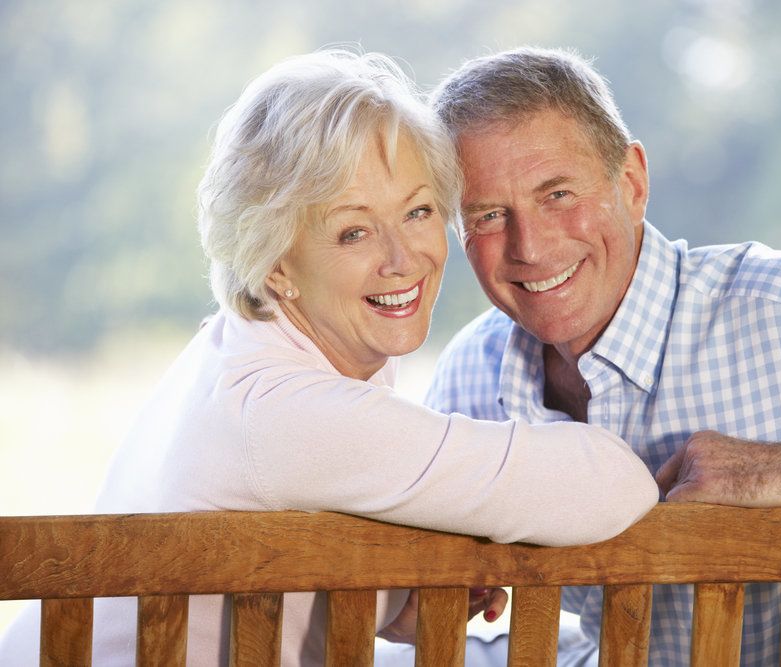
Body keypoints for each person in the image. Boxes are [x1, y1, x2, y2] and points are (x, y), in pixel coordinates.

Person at [0, 50, 659, 666]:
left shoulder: (248, 347)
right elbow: (616, 483)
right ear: (278, 261)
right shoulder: (284, 409)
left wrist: (410, 591)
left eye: (419, 211)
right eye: (352, 230)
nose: (404, 259)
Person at [425, 46, 781, 665]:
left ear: (633, 182)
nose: (530, 247)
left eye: (558, 193)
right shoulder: (471, 374)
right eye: (487, 215)